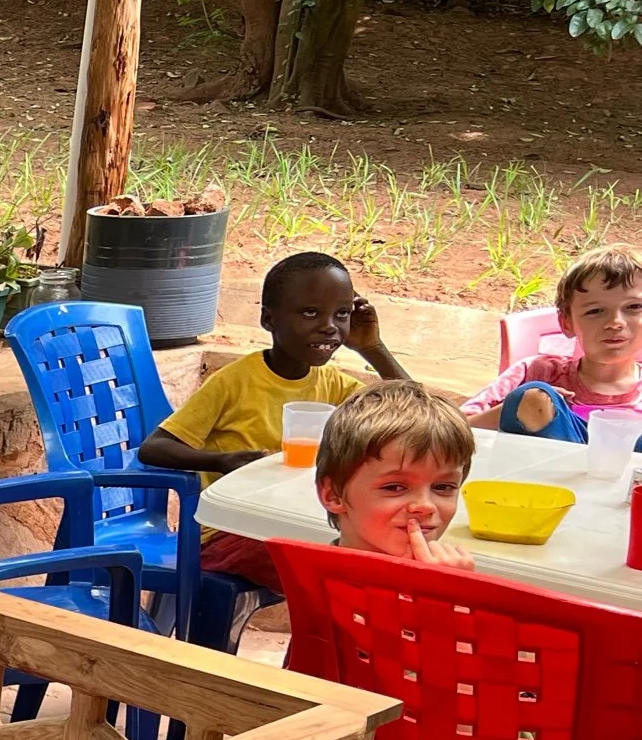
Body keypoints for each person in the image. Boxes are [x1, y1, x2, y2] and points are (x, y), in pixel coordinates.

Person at [140, 250, 412, 602]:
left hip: (298, 523)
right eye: (310, 312)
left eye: (341, 314)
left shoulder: (334, 385)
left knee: (375, 554)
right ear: (269, 319)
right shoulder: (235, 381)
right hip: (230, 535)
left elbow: (413, 414)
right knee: (338, 573)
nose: (329, 325)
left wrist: (373, 348)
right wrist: (223, 461)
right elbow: (154, 447)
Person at [461, 243, 642, 441]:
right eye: (595, 311)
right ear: (567, 323)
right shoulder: (536, 371)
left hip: (629, 468)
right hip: (541, 469)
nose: (615, 322)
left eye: (634, 307)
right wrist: (515, 410)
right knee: (534, 396)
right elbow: (452, 430)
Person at [311, 379, 478, 572]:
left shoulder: (452, 572)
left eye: (443, 487)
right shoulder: (317, 585)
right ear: (333, 494)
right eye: (394, 487)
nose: (425, 506)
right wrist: (443, 594)